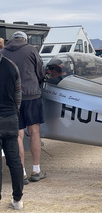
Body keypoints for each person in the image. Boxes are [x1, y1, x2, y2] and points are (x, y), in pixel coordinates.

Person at [0, 31, 46, 185]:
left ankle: (22, 173)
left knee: (18, 136)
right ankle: (36, 170)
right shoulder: (31, 49)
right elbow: (40, 72)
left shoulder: (3, 52)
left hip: (13, 99)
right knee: (34, 132)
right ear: (25, 39)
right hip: (32, 96)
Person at [0, 52, 24, 210]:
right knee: (14, 161)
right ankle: (17, 200)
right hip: (10, 117)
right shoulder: (12, 66)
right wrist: (14, 112)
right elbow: (18, 95)